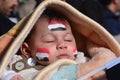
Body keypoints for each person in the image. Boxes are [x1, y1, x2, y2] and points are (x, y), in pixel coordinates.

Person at [0, 9, 116, 80]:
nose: (62, 45)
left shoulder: (82, 60)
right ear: (27, 50)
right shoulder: (17, 63)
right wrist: (8, 76)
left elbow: (100, 68)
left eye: (68, 40)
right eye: (50, 41)